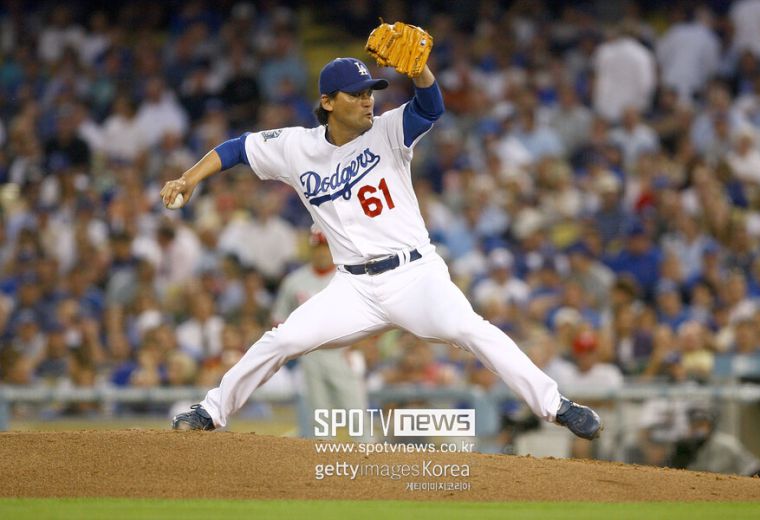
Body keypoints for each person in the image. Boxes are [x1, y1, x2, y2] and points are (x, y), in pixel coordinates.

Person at [163, 40, 602, 441]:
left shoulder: (388, 130)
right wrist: (189, 178)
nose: (368, 100)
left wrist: (421, 71)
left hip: (415, 275)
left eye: (370, 92)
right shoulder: (296, 147)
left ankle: (557, 405)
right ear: (327, 102)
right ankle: (210, 411)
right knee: (282, 340)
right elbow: (237, 148)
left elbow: (430, 108)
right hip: (353, 287)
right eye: (356, 94)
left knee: (471, 329)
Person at [271, 230, 368, 436]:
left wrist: (359, 346)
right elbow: (279, 320)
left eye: (325, 247)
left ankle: (369, 453)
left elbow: (368, 317)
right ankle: (323, 455)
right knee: (320, 417)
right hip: (310, 354)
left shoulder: (349, 277)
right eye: (318, 248)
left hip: (342, 353)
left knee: (356, 414)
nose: (322, 253)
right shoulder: (295, 281)